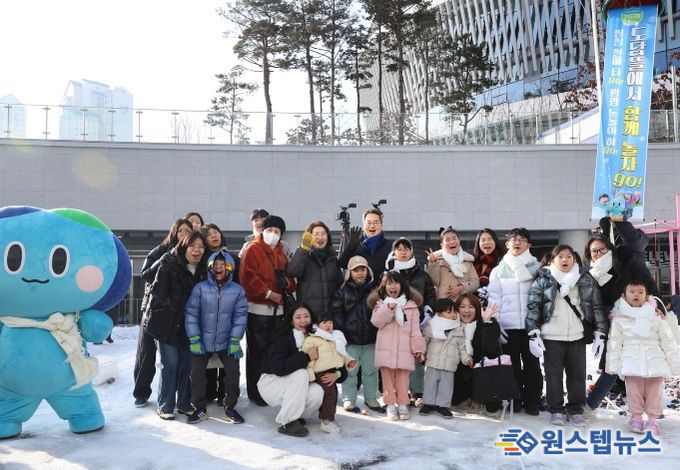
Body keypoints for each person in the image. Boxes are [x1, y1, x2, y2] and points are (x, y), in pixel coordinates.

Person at [584, 217, 661, 412]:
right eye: (594, 251)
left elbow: (648, 283)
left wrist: (620, 222)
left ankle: (648, 412)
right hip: (614, 327)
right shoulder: (592, 274)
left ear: (610, 249)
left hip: (638, 323)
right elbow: (593, 303)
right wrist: (607, 313)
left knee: (642, 367)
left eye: (602, 249)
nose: (598, 254)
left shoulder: (626, 260)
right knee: (611, 367)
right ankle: (591, 405)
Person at [526, 245, 607, 426]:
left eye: (569, 256)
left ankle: (576, 409)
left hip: (577, 336)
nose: (565, 260)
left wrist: (600, 332)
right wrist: (533, 332)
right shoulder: (543, 279)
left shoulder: (585, 278)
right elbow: (533, 306)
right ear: (553, 259)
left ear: (574, 259)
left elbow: (596, 306)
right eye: (560, 256)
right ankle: (556, 410)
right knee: (553, 375)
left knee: (577, 375)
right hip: (552, 336)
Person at [144, 231, 207, 420]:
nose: (197, 250)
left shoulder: (204, 269)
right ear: (184, 247)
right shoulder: (169, 263)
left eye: (201, 246)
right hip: (166, 323)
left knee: (187, 364)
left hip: (190, 326)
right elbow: (158, 294)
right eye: (192, 246)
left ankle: (184, 403)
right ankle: (165, 405)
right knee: (170, 364)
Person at [606, 281, 680, 435]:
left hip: (655, 361)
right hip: (631, 362)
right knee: (634, 391)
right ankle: (637, 417)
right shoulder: (619, 319)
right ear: (624, 296)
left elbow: (667, 341)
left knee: (655, 392)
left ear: (646, 296)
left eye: (640, 292)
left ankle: (652, 420)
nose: (636, 295)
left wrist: (675, 363)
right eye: (632, 291)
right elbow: (614, 344)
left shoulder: (655, 316)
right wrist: (612, 366)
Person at [133, 218, 193, 407]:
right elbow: (146, 275)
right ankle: (141, 392)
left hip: (177, 315)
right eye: (181, 230)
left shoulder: (190, 254)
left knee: (175, 359)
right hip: (154, 310)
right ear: (174, 232)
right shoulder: (161, 250)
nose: (184, 234)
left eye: (188, 231)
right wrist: (163, 259)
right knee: (146, 354)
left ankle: (176, 396)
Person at [184, 249, 248, 424]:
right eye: (216, 264)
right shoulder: (200, 289)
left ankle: (230, 407)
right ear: (210, 267)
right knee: (196, 373)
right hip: (202, 341)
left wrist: (235, 339)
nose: (219, 268)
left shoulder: (237, 291)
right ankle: (199, 408)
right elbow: (191, 314)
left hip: (227, 342)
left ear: (230, 268)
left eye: (223, 264)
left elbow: (240, 316)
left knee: (233, 373)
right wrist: (194, 338)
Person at [239, 215, 296, 407]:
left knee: (274, 352)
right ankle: (255, 391)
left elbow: (291, 279)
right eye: (269, 230)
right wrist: (269, 293)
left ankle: (270, 390)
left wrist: (286, 283)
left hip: (279, 312)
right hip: (258, 310)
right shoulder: (252, 249)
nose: (273, 234)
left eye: (277, 231)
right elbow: (248, 278)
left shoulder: (282, 252)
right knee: (257, 352)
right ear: (262, 231)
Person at [486, 228, 541, 415]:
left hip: (530, 326)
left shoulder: (537, 268)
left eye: (522, 239)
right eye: (514, 239)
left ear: (529, 244)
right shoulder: (498, 270)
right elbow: (494, 299)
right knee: (512, 367)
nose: (517, 242)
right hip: (508, 327)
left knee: (533, 366)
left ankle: (532, 402)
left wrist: (539, 324)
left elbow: (542, 298)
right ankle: (514, 401)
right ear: (507, 244)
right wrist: (496, 324)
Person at [257, 305, 324, 437]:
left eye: (306, 316)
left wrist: (338, 374)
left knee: (317, 392)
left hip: (295, 382)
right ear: (292, 321)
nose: (303, 320)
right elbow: (278, 367)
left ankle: (297, 416)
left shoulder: (317, 337)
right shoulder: (283, 338)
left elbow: (332, 359)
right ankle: (287, 422)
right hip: (271, 382)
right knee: (301, 373)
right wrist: (305, 357)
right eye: (298, 317)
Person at [385, 237, 436, 406]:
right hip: (393, 322)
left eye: (406, 249)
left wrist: (428, 311)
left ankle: (417, 391)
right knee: (395, 357)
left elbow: (430, 294)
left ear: (411, 252)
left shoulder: (422, 274)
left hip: (416, 322)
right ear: (394, 253)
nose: (403, 252)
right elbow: (381, 295)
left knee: (416, 356)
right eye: (399, 249)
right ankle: (397, 391)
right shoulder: (388, 275)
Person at [369, 271, 425, 421]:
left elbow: (415, 330)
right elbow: (376, 322)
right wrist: (388, 308)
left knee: (403, 379)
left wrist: (418, 348)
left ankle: (403, 403)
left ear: (402, 285)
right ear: (384, 287)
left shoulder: (411, 306)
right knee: (387, 379)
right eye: (388, 283)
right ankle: (390, 404)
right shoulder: (380, 304)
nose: (392, 286)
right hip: (385, 349)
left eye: (395, 283)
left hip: (404, 350)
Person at [332, 256, 384, 413]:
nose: (360, 273)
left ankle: (371, 397)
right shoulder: (342, 291)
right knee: (350, 371)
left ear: (368, 271)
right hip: (351, 340)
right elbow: (336, 311)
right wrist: (344, 329)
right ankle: (349, 398)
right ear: (350, 273)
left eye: (363, 270)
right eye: (356, 270)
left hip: (370, 338)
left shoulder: (375, 290)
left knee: (371, 371)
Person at [300, 311, 356, 433]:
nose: (328, 325)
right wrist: (310, 377)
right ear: (316, 325)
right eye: (324, 322)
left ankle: (328, 417)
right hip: (320, 372)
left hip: (332, 371)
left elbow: (341, 354)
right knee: (329, 394)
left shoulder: (334, 338)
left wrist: (349, 361)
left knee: (333, 393)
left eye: (330, 322)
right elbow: (308, 361)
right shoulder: (312, 339)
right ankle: (326, 420)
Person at [419, 298, 472, 419]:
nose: (453, 314)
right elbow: (424, 341)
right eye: (449, 312)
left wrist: (466, 359)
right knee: (430, 384)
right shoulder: (432, 326)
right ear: (439, 313)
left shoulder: (458, 329)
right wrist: (421, 352)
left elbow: (462, 347)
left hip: (449, 364)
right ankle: (428, 403)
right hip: (433, 362)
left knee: (446, 386)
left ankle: (442, 406)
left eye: (454, 311)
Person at [288, 221, 342, 316]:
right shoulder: (304, 256)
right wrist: (303, 249)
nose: (320, 237)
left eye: (323, 234)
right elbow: (293, 272)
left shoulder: (333, 259)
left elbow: (340, 285)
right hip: (308, 314)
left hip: (330, 315)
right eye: (316, 234)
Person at [427, 227, 479, 301]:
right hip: (443, 303)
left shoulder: (467, 260)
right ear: (442, 245)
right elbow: (433, 283)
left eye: (454, 238)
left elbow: (475, 283)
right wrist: (433, 263)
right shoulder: (437, 260)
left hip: (462, 303)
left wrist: (461, 288)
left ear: (459, 241)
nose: (451, 242)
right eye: (447, 240)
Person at [338, 208, 392, 280]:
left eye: (375, 223)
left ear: (381, 225)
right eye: (368, 223)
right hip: (361, 286)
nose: (372, 226)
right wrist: (351, 247)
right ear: (363, 225)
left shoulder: (389, 246)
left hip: (382, 285)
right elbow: (342, 264)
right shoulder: (356, 244)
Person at [472, 228, 505, 305]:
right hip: (475, 305)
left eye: (490, 239)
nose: (486, 242)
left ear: (495, 242)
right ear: (478, 243)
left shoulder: (503, 261)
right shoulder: (473, 262)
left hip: (497, 304)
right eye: (483, 240)